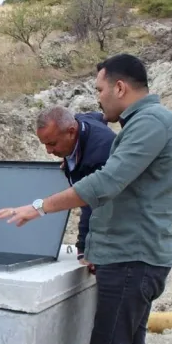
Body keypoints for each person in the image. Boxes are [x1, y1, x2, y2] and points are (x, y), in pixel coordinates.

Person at [0, 53, 172, 344]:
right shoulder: (142, 123)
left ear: (120, 87)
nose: (98, 98)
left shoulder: (151, 123)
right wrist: (92, 245)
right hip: (132, 257)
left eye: (99, 89)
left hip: (131, 260)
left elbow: (106, 183)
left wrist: (40, 206)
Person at [34, 105, 116, 270]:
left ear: (71, 132)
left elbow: (94, 205)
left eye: (52, 143)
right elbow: (97, 117)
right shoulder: (79, 123)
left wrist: (86, 248)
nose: (48, 151)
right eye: (45, 144)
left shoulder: (100, 155)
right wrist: (70, 156)